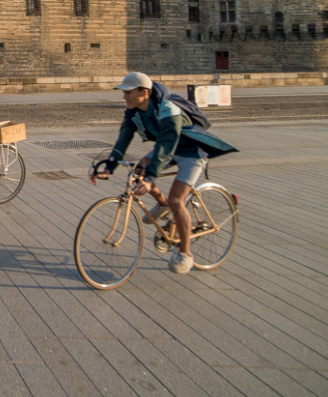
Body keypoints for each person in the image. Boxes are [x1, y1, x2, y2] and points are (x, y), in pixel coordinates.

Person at [92, 72, 237, 274]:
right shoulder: (134, 111)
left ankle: (185, 253)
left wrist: (151, 178)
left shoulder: (168, 107)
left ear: (144, 92)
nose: (124, 97)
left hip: (191, 152)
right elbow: (124, 138)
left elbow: (167, 143)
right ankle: (162, 206)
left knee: (177, 200)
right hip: (167, 149)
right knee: (138, 171)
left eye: (128, 92)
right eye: (124, 93)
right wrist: (109, 166)